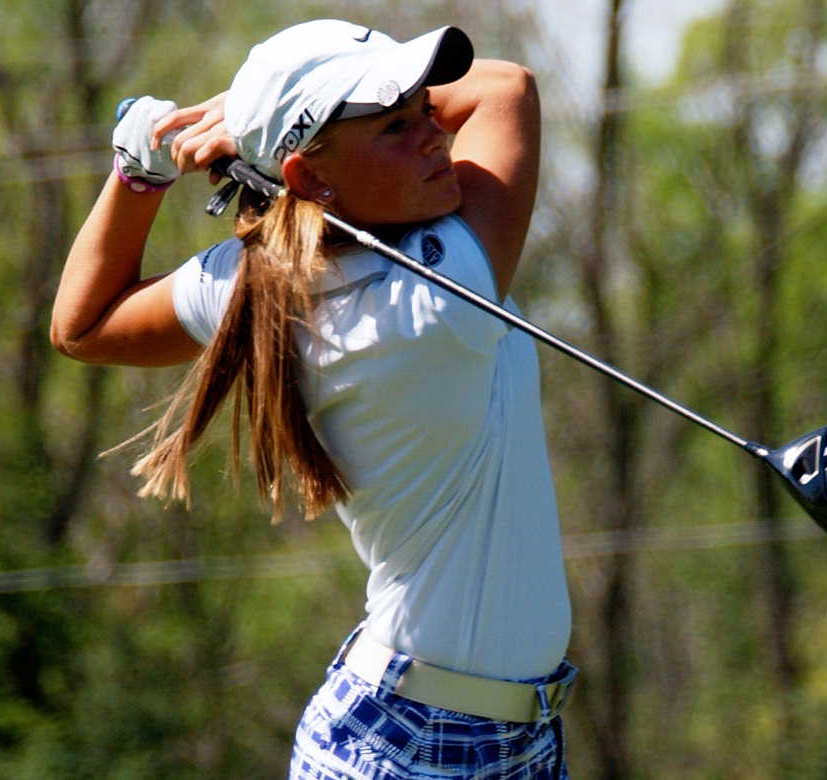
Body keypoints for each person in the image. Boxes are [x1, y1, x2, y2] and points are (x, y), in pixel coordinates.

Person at [50, 19, 574, 779]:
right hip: (418, 749)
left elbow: (83, 322)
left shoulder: (250, 282)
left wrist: (142, 167)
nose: (433, 131)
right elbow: (506, 89)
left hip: (490, 735)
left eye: (425, 107)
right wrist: (238, 112)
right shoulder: (438, 294)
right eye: (396, 125)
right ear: (307, 179)